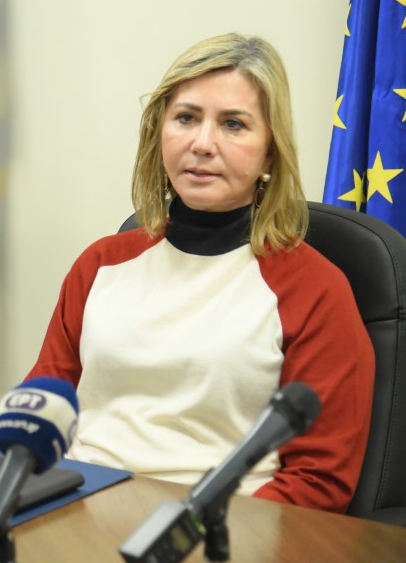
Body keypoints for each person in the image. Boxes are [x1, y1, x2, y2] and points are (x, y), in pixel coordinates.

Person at [27, 33, 375, 513]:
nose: (202, 143)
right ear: (159, 133)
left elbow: (319, 480)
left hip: (221, 529)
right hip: (75, 509)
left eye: (233, 124)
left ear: (270, 151)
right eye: (186, 118)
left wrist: (184, 534)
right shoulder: (100, 264)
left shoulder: (316, 290)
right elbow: (39, 411)